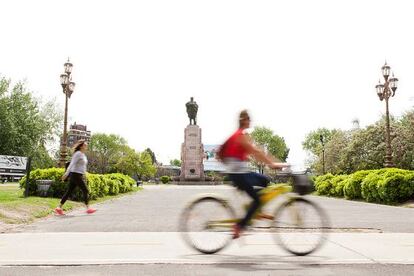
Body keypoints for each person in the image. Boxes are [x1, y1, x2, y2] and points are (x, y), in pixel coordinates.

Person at [218, 110, 289, 239]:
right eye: (248, 119)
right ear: (243, 120)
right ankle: (240, 226)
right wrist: (273, 164)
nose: (250, 121)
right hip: (238, 174)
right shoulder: (240, 136)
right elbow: (256, 152)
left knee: (264, 181)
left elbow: (255, 152)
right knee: (257, 200)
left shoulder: (241, 135)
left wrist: (271, 162)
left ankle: (257, 211)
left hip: (239, 173)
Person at [55, 140, 96, 215]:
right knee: (85, 190)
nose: (86, 146)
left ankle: (59, 207)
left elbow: (83, 167)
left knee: (69, 192)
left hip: (78, 175)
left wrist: (85, 175)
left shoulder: (83, 155)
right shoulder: (77, 154)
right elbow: (72, 164)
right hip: (75, 175)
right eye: (85, 145)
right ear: (81, 146)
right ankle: (88, 208)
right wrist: (66, 174)